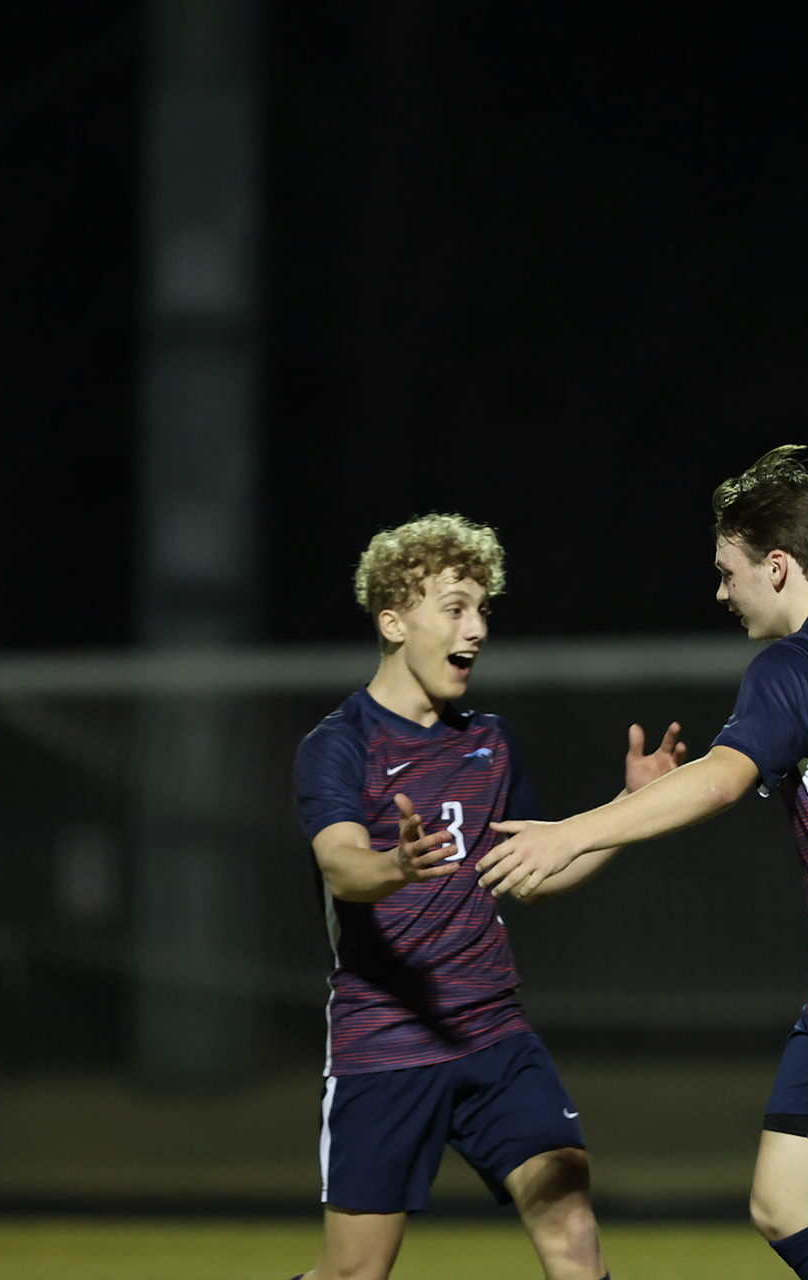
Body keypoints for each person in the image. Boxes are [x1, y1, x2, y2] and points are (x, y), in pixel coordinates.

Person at [476, 446, 808, 1280]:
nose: (721, 591)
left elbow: (720, 782)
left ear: (777, 565)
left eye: (729, 570)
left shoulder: (795, 665)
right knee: (784, 1204)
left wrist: (574, 832)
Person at [288, 512, 684, 1280]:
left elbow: (533, 875)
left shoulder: (490, 741)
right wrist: (396, 866)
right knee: (354, 1273)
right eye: (456, 608)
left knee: (570, 1218)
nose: (476, 629)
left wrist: (626, 815)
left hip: (495, 1035)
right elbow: (342, 866)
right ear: (395, 621)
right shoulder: (338, 745)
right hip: (385, 1045)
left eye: (483, 609)